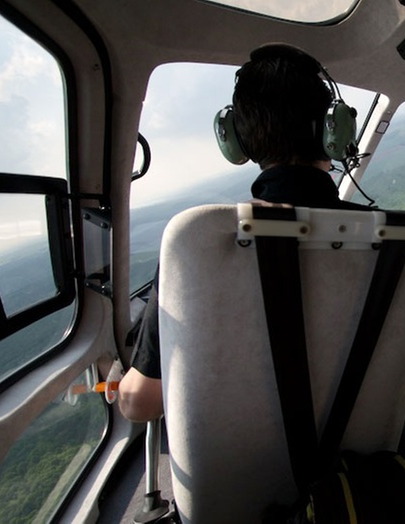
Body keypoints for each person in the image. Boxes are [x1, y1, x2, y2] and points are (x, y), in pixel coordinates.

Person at [118, 43, 368, 422]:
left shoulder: (197, 245)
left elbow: (140, 404)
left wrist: (116, 379)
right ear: (336, 130)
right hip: (367, 463)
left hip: (236, 473)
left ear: (237, 140)